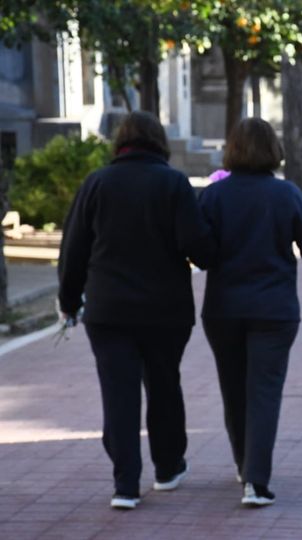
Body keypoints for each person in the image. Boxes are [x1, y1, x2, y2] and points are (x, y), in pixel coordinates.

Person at [58, 111, 216, 510]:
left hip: (108, 311)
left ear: (121, 142)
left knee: (119, 394)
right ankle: (167, 468)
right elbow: (198, 248)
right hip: (165, 310)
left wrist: (68, 300)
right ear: (158, 141)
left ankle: (125, 485)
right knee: (164, 385)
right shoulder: (173, 184)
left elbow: (73, 251)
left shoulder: (96, 183)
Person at [198, 118, 302, 507]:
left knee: (234, 389)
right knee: (264, 391)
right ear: (274, 149)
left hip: (223, 309)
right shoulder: (286, 194)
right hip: (274, 311)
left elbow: (200, 251)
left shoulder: (214, 196)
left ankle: (244, 465)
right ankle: (256, 480)